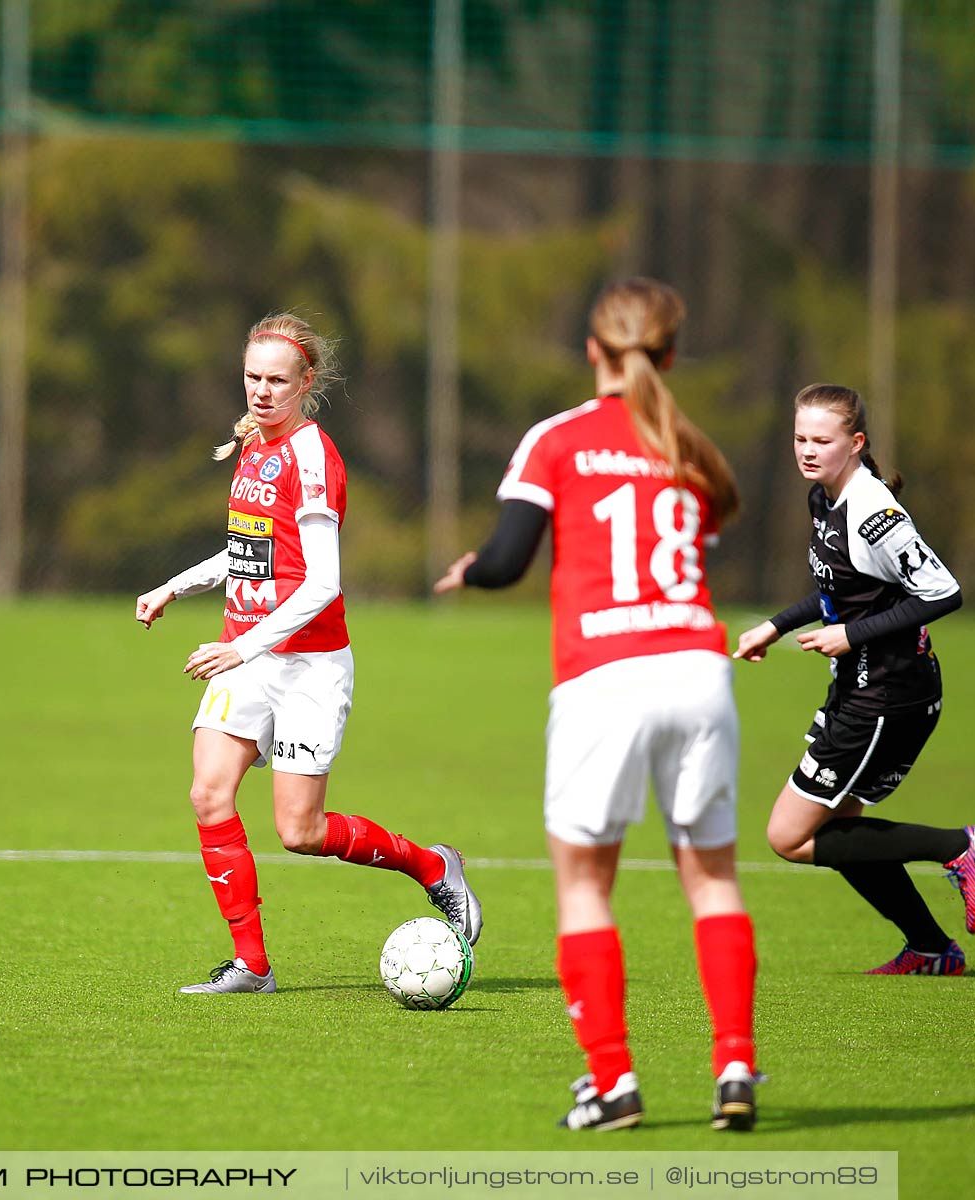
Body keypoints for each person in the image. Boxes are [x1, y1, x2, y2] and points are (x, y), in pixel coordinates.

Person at [435, 278, 759, 1133]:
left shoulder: (559, 439)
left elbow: (508, 560)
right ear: (671, 355)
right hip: (698, 668)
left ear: (592, 352)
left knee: (585, 887)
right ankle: (734, 1068)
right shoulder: (691, 449)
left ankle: (613, 1084)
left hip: (603, 677)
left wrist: (471, 569)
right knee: (713, 880)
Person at [136, 313, 481, 996]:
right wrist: (175, 586)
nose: (261, 391)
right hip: (252, 656)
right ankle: (251, 966)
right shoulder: (253, 447)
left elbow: (323, 583)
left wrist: (239, 646)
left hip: (310, 665)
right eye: (252, 377)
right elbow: (251, 555)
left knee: (301, 831)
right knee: (209, 793)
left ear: (306, 382)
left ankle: (433, 868)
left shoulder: (313, 456)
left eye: (276, 380)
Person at [734, 383, 975, 977]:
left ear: (855, 443)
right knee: (844, 834)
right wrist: (775, 627)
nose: (807, 449)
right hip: (864, 691)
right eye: (800, 437)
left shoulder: (876, 513)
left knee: (790, 836)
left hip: (886, 696)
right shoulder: (823, 498)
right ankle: (932, 949)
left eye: (822, 440)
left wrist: (852, 636)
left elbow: (943, 592)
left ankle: (958, 846)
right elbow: (840, 589)